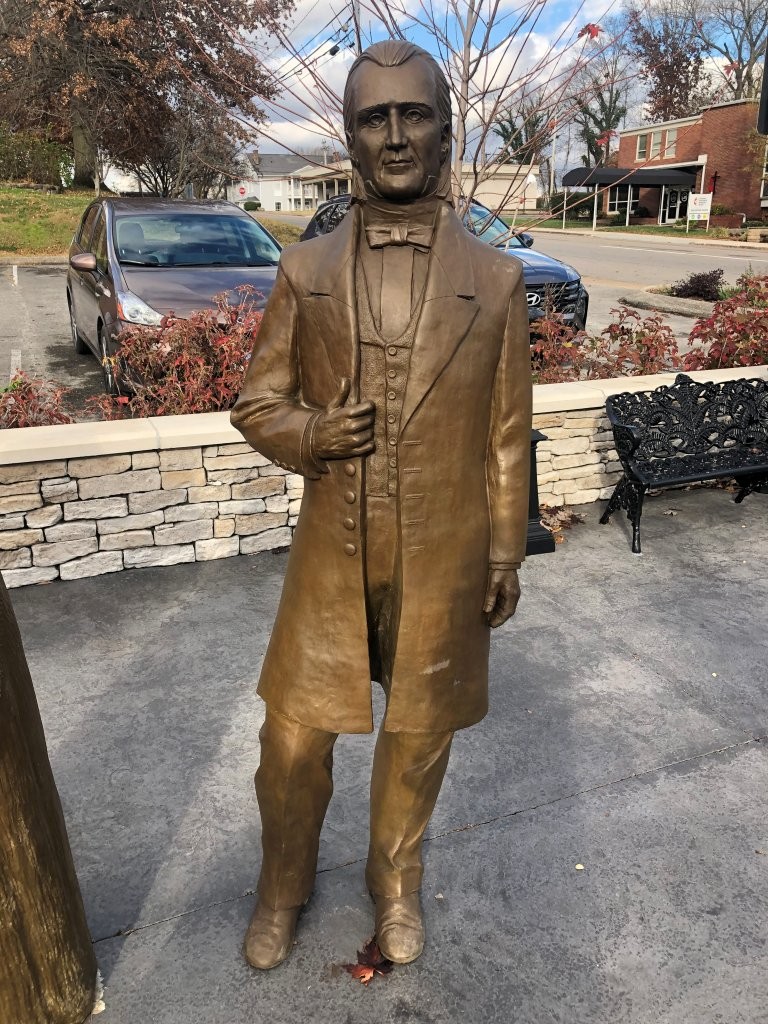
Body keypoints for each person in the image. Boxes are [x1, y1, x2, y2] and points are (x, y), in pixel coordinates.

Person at [231, 38, 532, 970]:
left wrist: (505, 553)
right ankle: (282, 885)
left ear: (446, 131)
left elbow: (506, 432)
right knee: (291, 739)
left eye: (414, 115)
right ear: (350, 136)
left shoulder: (498, 279)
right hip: (333, 551)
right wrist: (312, 432)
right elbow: (257, 404)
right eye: (374, 118)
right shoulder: (305, 269)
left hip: (445, 550)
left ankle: (395, 883)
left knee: (419, 735)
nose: (396, 136)